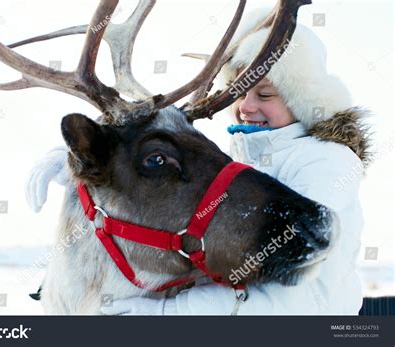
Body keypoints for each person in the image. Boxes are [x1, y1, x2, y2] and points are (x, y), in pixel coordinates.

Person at [25, 7, 371, 315]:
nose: (247, 106)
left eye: (265, 94)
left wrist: (165, 315)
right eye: (238, 90)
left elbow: (292, 299)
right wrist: (81, 161)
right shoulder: (249, 155)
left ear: (304, 99)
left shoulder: (326, 163)